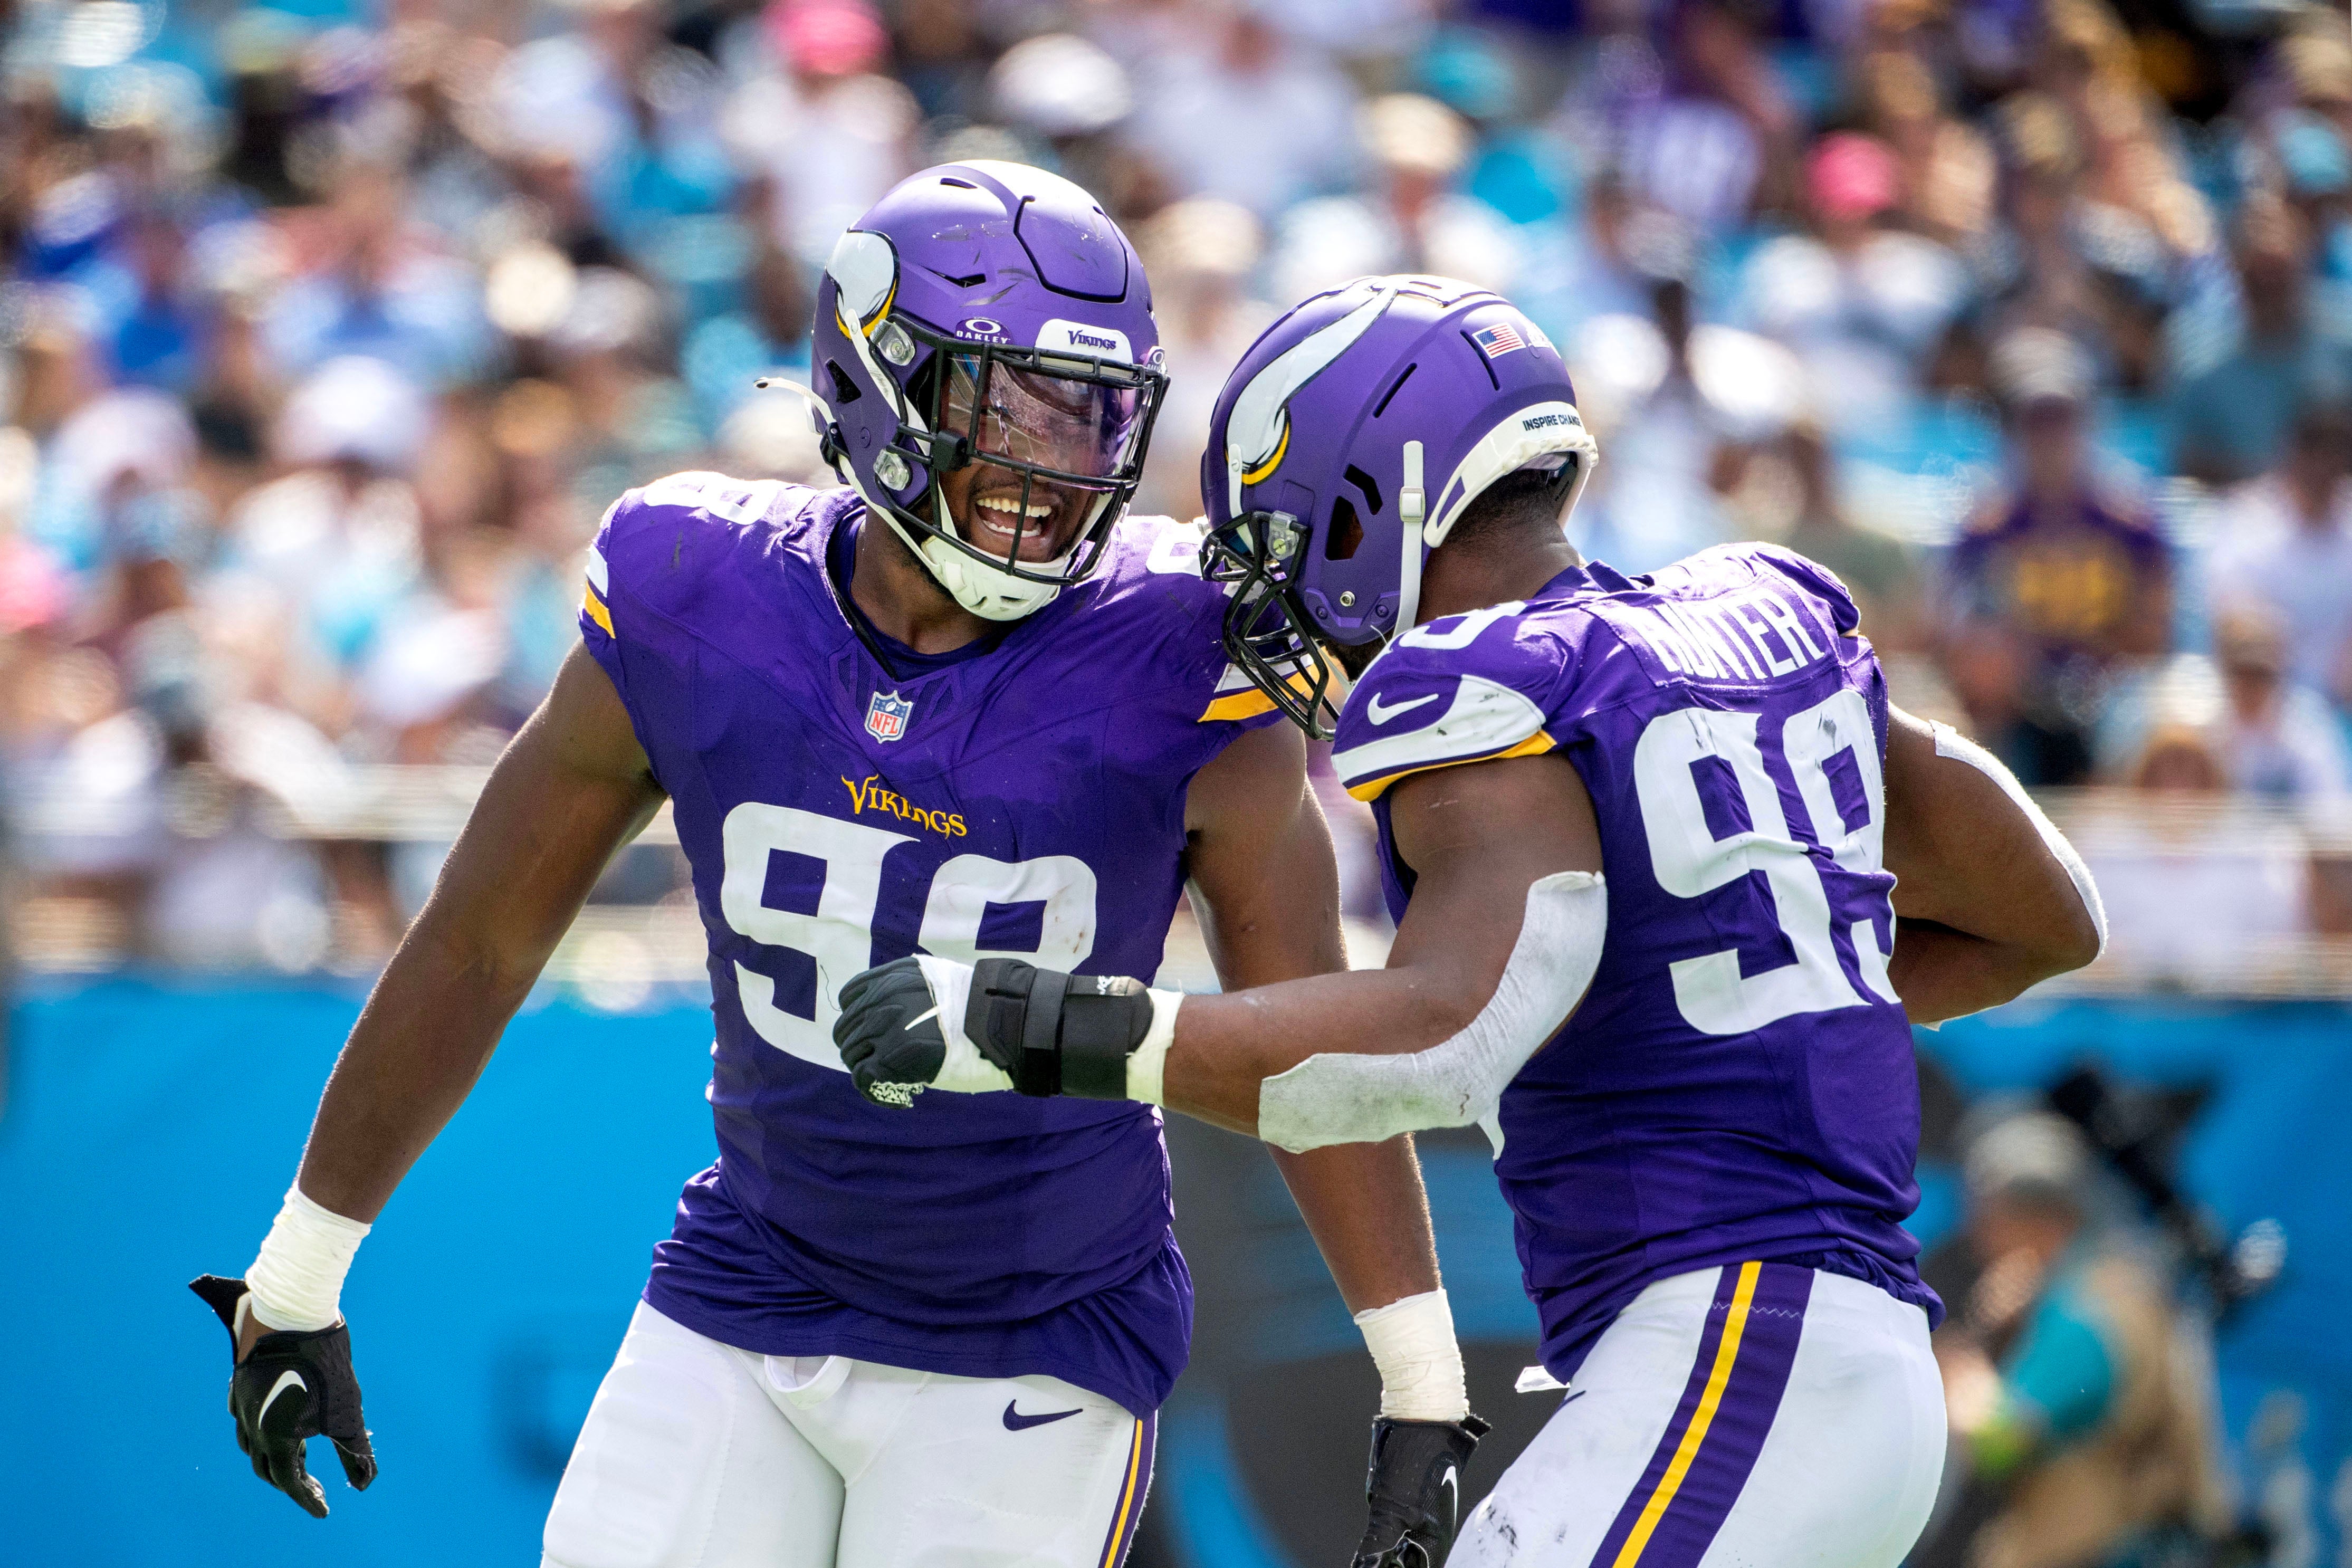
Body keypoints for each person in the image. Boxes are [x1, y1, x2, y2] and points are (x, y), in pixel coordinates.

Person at [186, 164, 1464, 1568]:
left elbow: (1306, 1047)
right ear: (875, 380)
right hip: (749, 1284)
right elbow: (481, 937)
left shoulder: (1181, 659)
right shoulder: (697, 589)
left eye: (1096, 415)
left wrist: (1419, 1379)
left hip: (1030, 1346)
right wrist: (298, 1272)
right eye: (1014, 403)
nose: (1063, 465)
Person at [835, 275, 2110, 1568]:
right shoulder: (1757, 618)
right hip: (1824, 1360)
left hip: (1737, 1346)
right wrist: (1726, 1000)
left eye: (1276, 536)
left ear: (1367, 497)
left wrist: (1037, 1024)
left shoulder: (1490, 682)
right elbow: (2047, 916)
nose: (1269, 592)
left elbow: (1443, 1036)